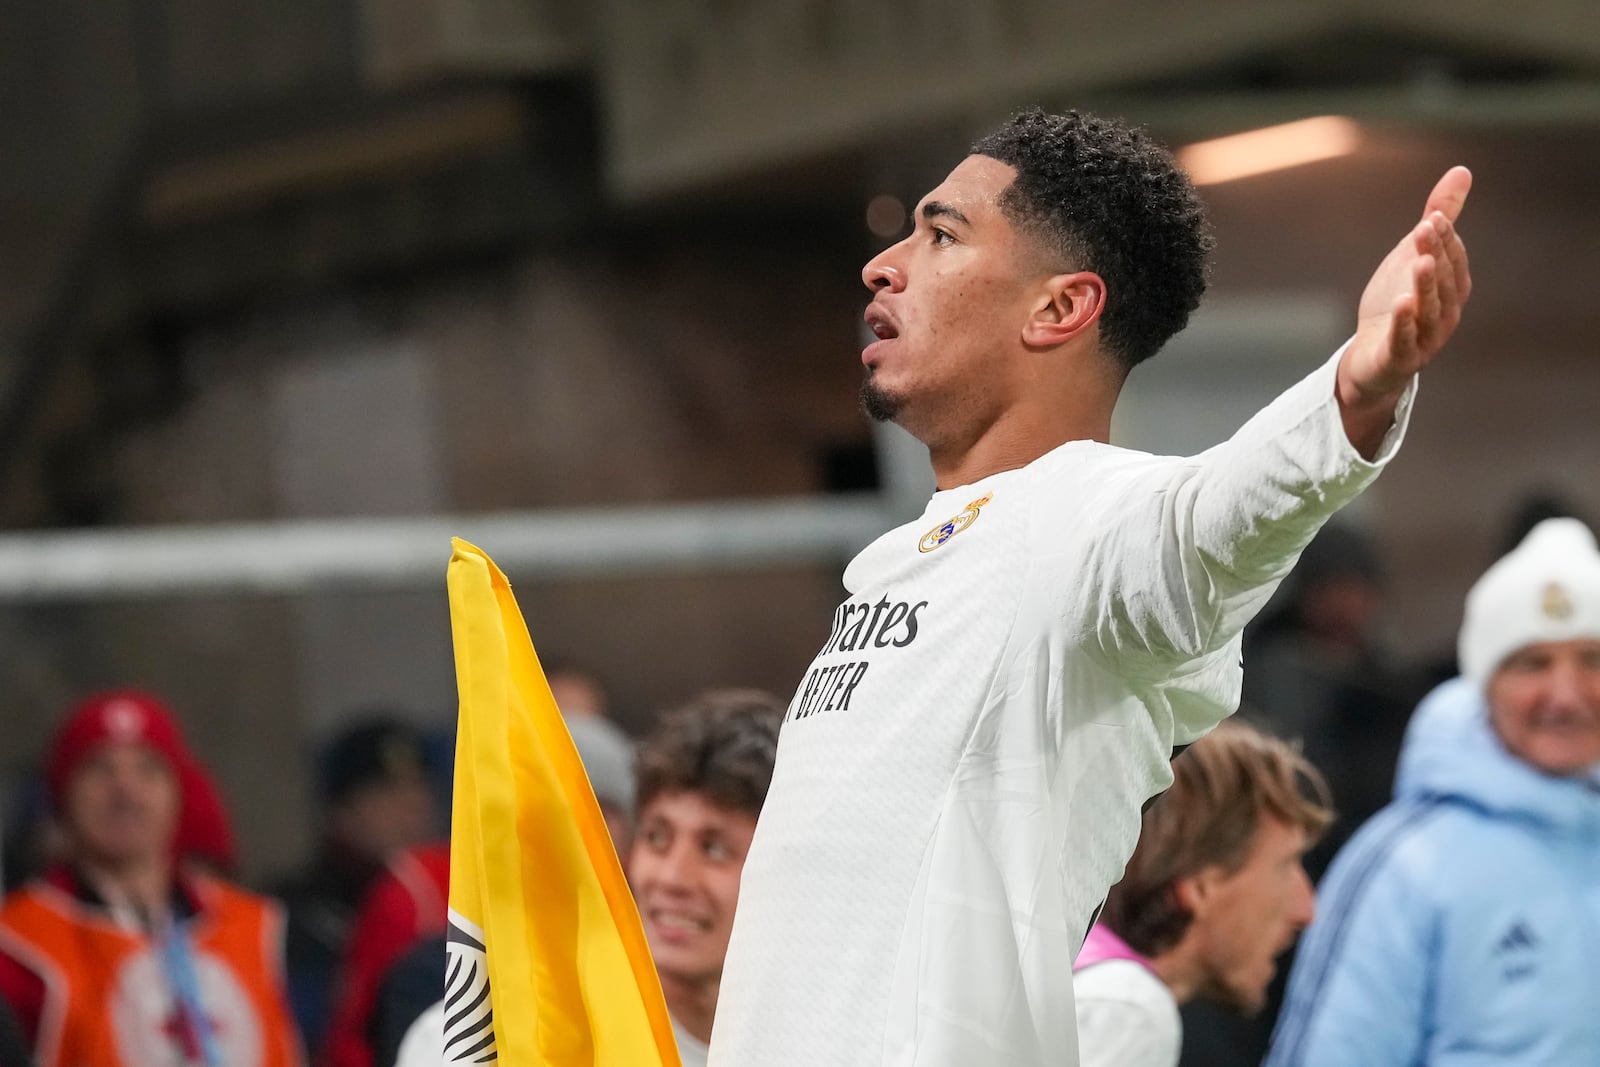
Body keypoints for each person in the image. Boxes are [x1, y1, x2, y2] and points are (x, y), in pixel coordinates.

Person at [707, 107, 1473, 1067]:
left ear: (1059, 309)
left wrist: (1356, 391)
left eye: (941, 234)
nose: (884, 264)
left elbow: (1218, 520)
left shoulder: (1084, 522)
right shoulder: (901, 562)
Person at [1266, 517, 1600, 1066]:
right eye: (1533, 663)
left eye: (1591, 660)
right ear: (1484, 686)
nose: (1564, 695)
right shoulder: (1407, 867)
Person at [0, 690, 303, 1067]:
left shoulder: (252, 926)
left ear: (178, 790)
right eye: (99, 768)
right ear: (65, 794)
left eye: (148, 768)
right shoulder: (18, 941)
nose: (126, 791)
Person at [363, 711, 642, 1067]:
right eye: (548, 811)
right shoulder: (441, 982)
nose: (570, 831)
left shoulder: (671, 967)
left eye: (597, 810)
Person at [1073, 720, 1331, 1067]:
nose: (1307, 910)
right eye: (1285, 866)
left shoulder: (1075, 977)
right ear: (1199, 885)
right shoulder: (1127, 1008)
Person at [273, 716, 440, 1050]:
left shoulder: (450, 898)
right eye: (387, 794)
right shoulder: (291, 916)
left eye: (418, 789)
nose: (410, 809)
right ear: (342, 811)